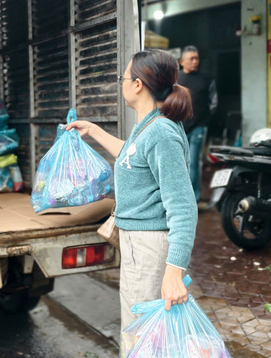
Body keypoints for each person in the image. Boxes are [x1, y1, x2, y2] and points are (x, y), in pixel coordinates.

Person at [65, 49, 197, 329]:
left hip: (149, 246)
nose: (121, 82)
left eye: (122, 77)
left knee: (141, 336)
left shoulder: (161, 132)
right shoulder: (147, 125)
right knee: (139, 331)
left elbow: (183, 206)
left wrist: (174, 272)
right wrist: (93, 130)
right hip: (138, 244)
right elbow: (132, 155)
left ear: (137, 84)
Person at [176, 46, 217, 203]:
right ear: (182, 62)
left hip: (199, 126)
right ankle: (180, 196)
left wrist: (204, 119)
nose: (195, 61)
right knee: (180, 161)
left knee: (193, 161)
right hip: (180, 126)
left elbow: (213, 102)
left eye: (197, 58)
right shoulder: (176, 79)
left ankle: (193, 197)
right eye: (191, 58)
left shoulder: (206, 78)